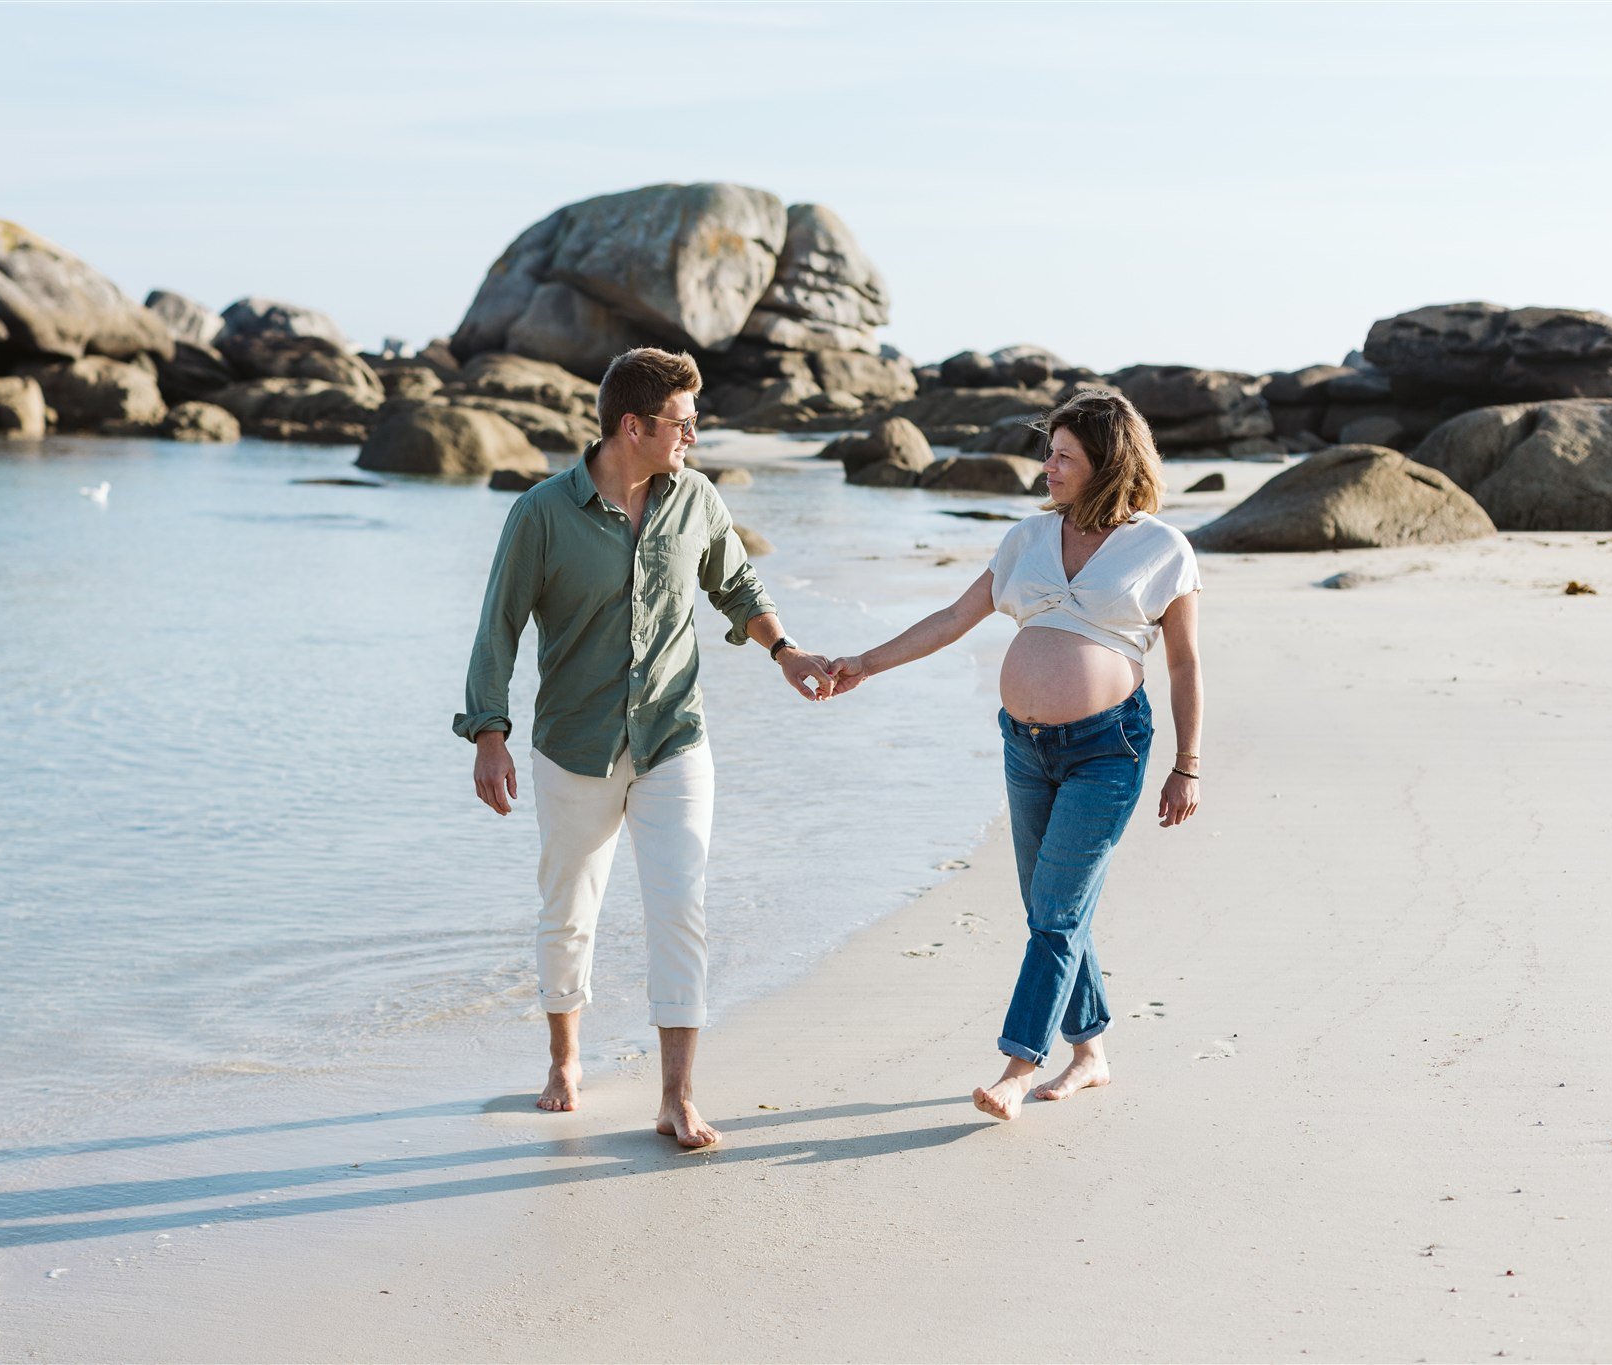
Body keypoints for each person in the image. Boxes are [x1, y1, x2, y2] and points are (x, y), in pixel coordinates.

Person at [455, 347, 834, 1149]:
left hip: (672, 735)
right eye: (683, 423)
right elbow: (500, 624)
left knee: (680, 909)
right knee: (569, 911)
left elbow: (736, 585)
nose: (695, 437)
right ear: (634, 426)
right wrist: (489, 732)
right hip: (574, 744)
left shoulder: (694, 498)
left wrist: (786, 651)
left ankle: (675, 1096)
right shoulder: (541, 514)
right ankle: (565, 1062)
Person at [828, 389, 1203, 1122]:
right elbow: (954, 617)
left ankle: (1017, 1067)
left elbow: (1185, 664)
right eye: (1049, 452)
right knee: (1051, 907)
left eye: (1064, 456)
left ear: (1108, 464)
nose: (1046, 468)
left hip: (1108, 749)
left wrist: (1188, 763)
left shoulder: (1161, 549)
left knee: (1056, 912)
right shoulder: (1028, 541)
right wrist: (864, 663)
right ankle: (1090, 1050)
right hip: (1025, 748)